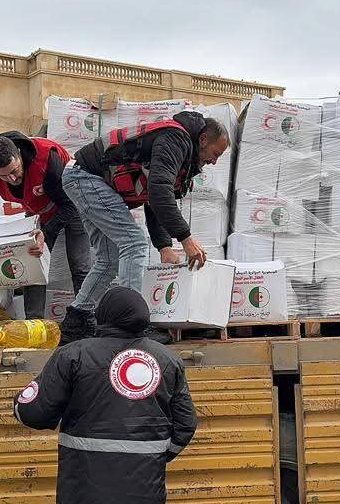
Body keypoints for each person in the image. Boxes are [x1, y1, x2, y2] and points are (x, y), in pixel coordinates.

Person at [13, 286, 198, 504]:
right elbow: (186, 424)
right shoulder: (167, 360)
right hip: (143, 503)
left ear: (103, 317)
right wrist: (155, 456)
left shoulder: (73, 355)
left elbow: (35, 413)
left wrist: (18, 403)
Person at [57, 111, 230, 344]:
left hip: (81, 176)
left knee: (109, 259)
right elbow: (159, 192)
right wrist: (185, 238)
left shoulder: (181, 148)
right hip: (86, 177)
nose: (214, 161)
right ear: (203, 140)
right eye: (215, 154)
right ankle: (130, 323)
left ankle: (75, 322)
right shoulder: (175, 139)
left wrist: (164, 247)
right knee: (134, 243)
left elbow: (152, 197)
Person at [0, 131, 90, 319]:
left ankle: (86, 319)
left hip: (72, 203)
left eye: (14, 171)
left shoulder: (48, 160)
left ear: (19, 154)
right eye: (4, 176)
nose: (12, 179)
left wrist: (45, 234)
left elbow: (69, 205)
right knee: (33, 265)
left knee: (79, 265)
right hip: (38, 209)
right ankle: (34, 323)